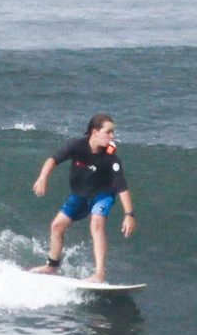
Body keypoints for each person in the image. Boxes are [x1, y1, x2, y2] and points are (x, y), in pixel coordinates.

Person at [31, 113, 137, 283]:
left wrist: (129, 215)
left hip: (102, 195)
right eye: (108, 132)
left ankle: (100, 274)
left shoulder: (111, 157)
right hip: (80, 195)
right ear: (95, 132)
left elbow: (121, 186)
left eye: (113, 133)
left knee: (97, 222)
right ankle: (52, 266)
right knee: (57, 226)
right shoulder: (76, 146)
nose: (112, 137)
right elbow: (52, 160)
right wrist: (43, 178)